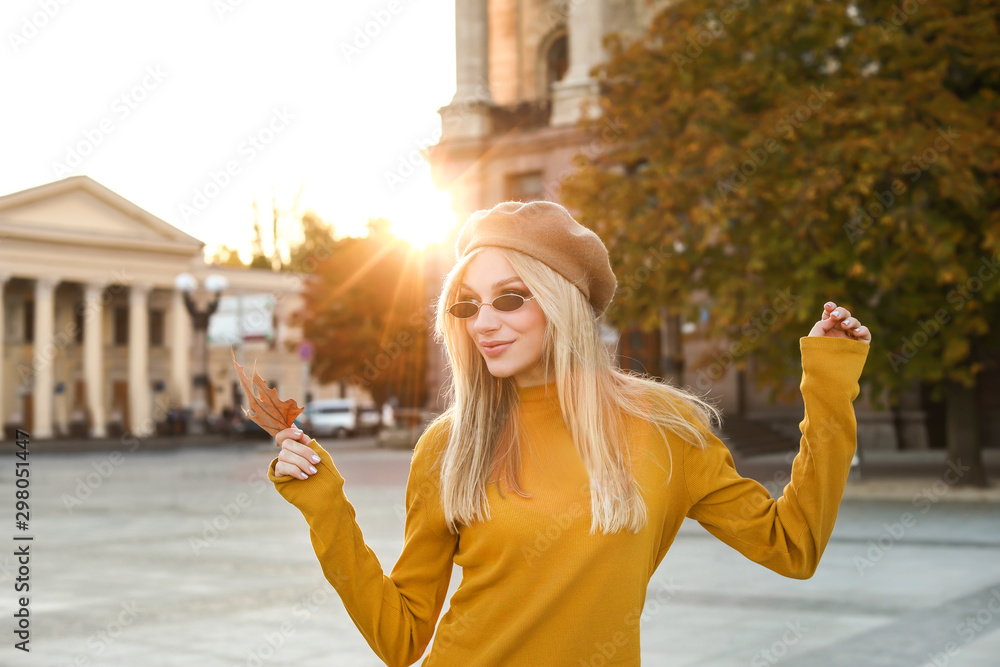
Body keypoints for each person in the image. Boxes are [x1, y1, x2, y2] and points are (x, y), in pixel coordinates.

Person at [269, 201, 871, 666]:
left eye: (509, 299)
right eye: (467, 305)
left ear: (561, 302)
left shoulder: (666, 428)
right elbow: (400, 639)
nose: (484, 323)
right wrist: (325, 505)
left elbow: (792, 546)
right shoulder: (449, 445)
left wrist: (828, 386)